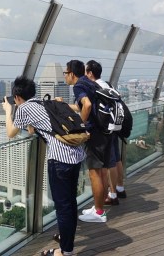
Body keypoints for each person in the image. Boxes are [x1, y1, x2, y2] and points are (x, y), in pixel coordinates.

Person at [4, 76, 86, 256]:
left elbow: (10, 132)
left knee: (63, 207)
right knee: (70, 203)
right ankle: (66, 242)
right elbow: (39, 128)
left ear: (17, 97)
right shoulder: (43, 103)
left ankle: (65, 252)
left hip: (59, 161)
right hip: (76, 156)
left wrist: (8, 110)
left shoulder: (24, 108)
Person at [59, 60, 112, 223]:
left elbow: (87, 105)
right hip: (105, 130)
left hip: (94, 134)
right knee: (101, 171)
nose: (65, 76)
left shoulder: (78, 86)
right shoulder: (90, 82)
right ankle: (98, 207)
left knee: (94, 173)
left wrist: (80, 127)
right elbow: (85, 106)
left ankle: (99, 212)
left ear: (72, 74)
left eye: (65, 73)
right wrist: (64, 105)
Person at [85, 60, 126, 206]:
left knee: (108, 164)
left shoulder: (94, 87)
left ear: (90, 73)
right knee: (115, 159)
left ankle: (111, 195)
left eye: (86, 71)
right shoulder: (108, 85)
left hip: (103, 130)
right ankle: (118, 189)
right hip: (114, 126)